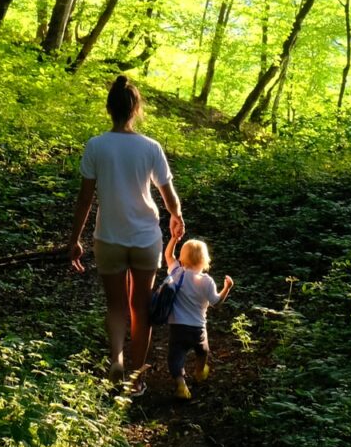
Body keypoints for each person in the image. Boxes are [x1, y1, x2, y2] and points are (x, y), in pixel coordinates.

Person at [68, 75, 183, 394]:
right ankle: (136, 378)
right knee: (141, 307)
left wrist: (75, 240)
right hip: (146, 238)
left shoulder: (96, 145)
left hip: (109, 238)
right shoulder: (150, 147)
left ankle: (116, 363)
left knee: (116, 306)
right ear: (135, 109)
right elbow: (169, 195)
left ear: (110, 109)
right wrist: (177, 217)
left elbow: (85, 199)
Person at [161, 227, 232, 400]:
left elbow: (168, 256)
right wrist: (226, 288)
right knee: (202, 351)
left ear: (182, 258)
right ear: (205, 260)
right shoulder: (207, 281)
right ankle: (200, 371)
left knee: (175, 356)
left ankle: (181, 385)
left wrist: (173, 240)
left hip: (178, 326)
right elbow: (216, 302)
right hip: (198, 328)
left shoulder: (177, 273)